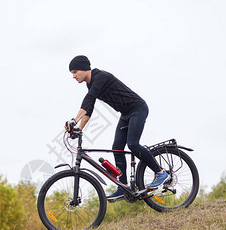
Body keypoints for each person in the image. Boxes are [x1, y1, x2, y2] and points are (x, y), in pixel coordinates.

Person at [67, 55, 170, 201]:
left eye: (75, 71)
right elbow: (89, 108)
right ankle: (124, 186)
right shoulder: (90, 84)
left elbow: (89, 99)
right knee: (117, 148)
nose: (73, 76)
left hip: (137, 109)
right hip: (126, 113)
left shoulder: (100, 76)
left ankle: (161, 173)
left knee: (133, 144)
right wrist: (79, 128)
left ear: (84, 68)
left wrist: (74, 120)